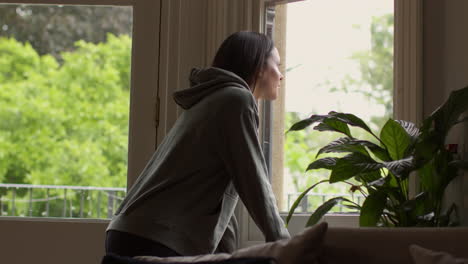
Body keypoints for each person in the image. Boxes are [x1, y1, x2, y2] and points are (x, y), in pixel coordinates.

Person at [105, 31, 290, 258]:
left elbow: (225, 198)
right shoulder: (236, 100)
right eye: (278, 65)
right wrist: (287, 247)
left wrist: (226, 256)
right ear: (259, 66)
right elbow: (254, 182)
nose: (281, 75)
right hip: (156, 238)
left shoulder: (212, 101)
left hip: (132, 232)